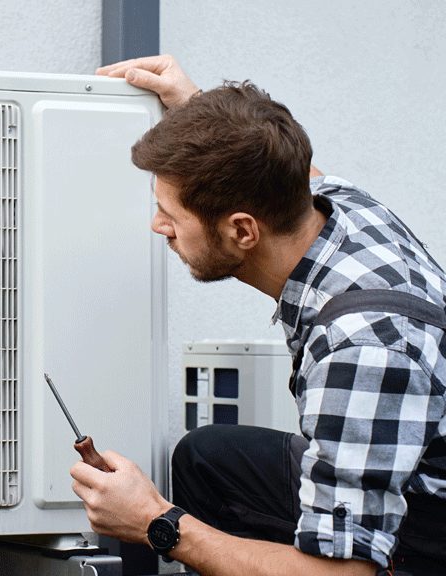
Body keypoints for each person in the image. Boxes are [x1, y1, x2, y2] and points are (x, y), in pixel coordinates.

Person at [70, 55, 446, 576]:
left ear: (243, 231)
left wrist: (156, 521)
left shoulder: (361, 351)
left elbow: (344, 575)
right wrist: (197, 109)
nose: (159, 226)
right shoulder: (337, 207)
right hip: (409, 449)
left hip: (430, 521)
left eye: (173, 215)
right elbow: (278, 163)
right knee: (207, 459)